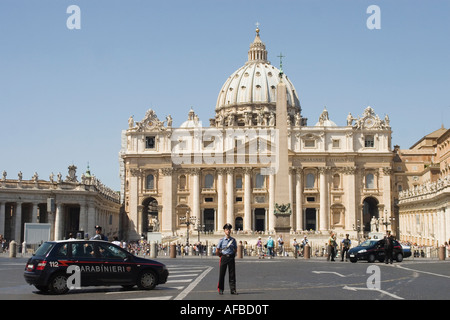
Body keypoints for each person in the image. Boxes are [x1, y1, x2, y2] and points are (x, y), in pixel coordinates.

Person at [216, 223, 238, 295]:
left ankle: (233, 290)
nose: (228, 231)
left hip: (231, 257)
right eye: (226, 230)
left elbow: (235, 249)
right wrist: (221, 256)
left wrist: (232, 255)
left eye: (229, 230)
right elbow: (217, 250)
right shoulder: (221, 240)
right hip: (224, 257)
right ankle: (221, 289)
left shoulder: (233, 240)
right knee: (222, 274)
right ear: (224, 231)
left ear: (230, 231)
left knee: (232, 274)